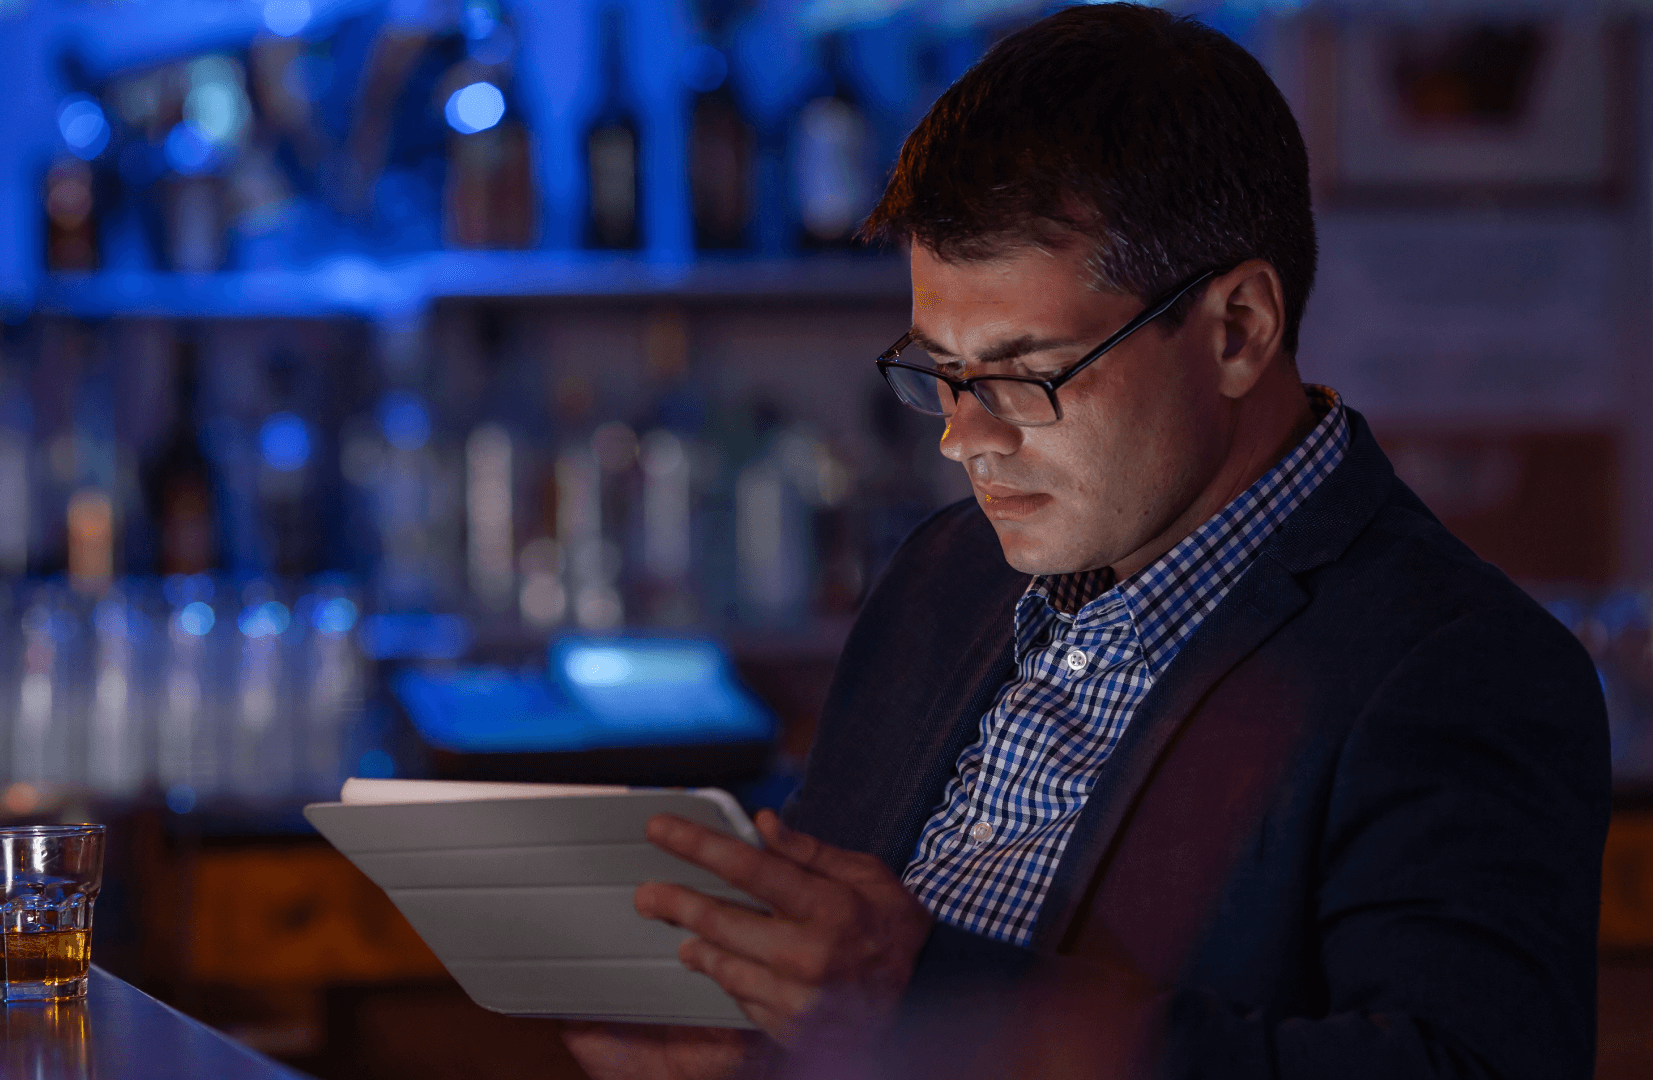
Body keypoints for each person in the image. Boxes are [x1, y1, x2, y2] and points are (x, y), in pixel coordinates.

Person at [562, 5, 1610, 1079]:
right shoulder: (942, 575)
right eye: (942, 372)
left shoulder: (1461, 668)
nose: (964, 440)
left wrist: (926, 1004)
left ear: (1239, 330)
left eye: (1025, 374)